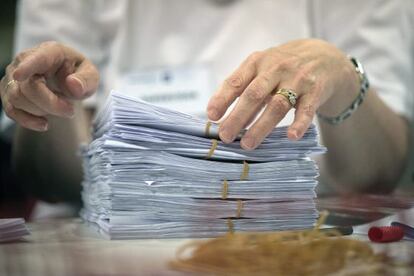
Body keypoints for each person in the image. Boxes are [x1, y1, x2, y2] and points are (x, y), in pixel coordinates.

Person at [0, 0, 413, 205]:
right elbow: (52, 183)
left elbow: (379, 173)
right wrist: (50, 101)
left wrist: (342, 78)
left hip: (311, 242)